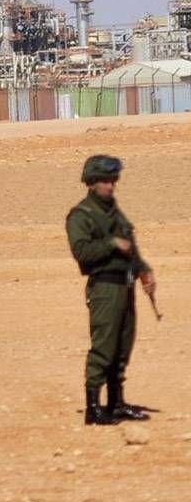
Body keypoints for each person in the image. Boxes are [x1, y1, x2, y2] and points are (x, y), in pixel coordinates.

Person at [66, 154, 157, 425]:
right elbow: (82, 252)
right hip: (104, 288)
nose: (110, 186)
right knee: (104, 347)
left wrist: (144, 271)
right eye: (105, 181)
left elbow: (131, 247)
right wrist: (111, 244)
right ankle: (93, 408)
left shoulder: (115, 212)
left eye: (113, 181)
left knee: (122, 346)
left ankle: (116, 403)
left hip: (125, 285)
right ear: (92, 183)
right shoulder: (81, 215)